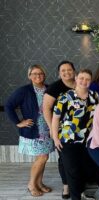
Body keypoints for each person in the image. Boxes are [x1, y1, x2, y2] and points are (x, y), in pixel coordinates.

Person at [5, 64, 54, 197]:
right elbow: (8, 105)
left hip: (47, 130)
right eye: (35, 74)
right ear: (29, 76)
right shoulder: (24, 90)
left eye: (41, 73)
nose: (38, 76)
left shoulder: (50, 89)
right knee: (42, 157)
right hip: (34, 131)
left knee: (44, 157)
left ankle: (39, 183)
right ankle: (32, 184)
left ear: (44, 75)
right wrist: (18, 122)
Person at [52, 69, 99, 200]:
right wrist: (55, 138)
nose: (84, 81)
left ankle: (81, 193)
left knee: (85, 168)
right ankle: (75, 197)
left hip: (87, 140)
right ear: (76, 78)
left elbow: (98, 117)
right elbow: (55, 118)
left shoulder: (94, 96)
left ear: (90, 81)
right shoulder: (65, 97)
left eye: (87, 79)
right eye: (81, 78)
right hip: (68, 140)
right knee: (72, 171)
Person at [43, 60, 76, 199]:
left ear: (74, 71)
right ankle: (66, 186)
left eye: (69, 70)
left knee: (77, 158)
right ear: (59, 73)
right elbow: (46, 109)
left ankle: (77, 183)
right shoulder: (54, 88)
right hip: (61, 129)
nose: (67, 72)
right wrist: (52, 128)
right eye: (63, 71)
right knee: (64, 158)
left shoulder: (79, 83)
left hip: (79, 129)